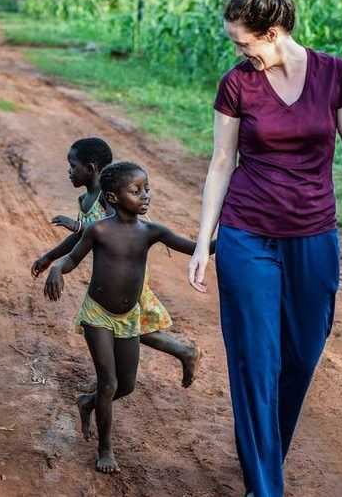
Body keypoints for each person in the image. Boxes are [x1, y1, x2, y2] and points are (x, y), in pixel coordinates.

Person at [185, 0, 342, 497]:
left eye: (244, 42)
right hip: (246, 233)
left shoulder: (336, 74)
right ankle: (264, 484)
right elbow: (221, 162)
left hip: (313, 234)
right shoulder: (237, 82)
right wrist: (204, 241)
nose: (239, 52)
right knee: (256, 359)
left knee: (302, 352)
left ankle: (263, 451)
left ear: (272, 32)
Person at [43, 162, 215, 474]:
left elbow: (198, 248)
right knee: (108, 382)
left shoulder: (152, 231)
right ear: (114, 196)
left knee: (126, 386)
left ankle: (87, 402)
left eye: (146, 188)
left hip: (129, 316)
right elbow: (72, 258)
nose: (145, 195)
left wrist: (235, 232)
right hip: (98, 314)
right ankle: (105, 448)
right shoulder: (99, 230)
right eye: (136, 191)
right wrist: (56, 268)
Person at [31, 138, 202, 389]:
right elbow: (81, 236)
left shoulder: (107, 196)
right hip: (112, 268)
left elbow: (116, 225)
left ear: (90, 168)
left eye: (72, 166)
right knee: (123, 322)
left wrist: (78, 226)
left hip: (128, 267)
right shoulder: (85, 199)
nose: (69, 171)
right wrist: (50, 257)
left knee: (125, 320)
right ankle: (111, 378)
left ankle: (179, 353)